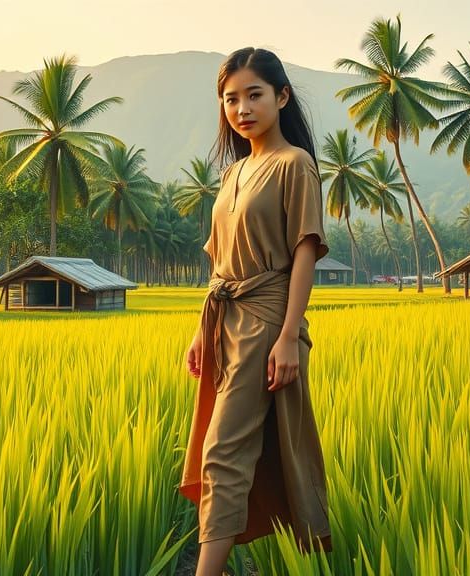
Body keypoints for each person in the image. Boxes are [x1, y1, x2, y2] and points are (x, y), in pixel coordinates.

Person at [179, 47, 332, 575]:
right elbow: (219, 260)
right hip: (224, 321)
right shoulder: (233, 173)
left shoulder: (295, 164)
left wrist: (289, 335)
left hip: (266, 320)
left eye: (254, 95)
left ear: (281, 97)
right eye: (231, 99)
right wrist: (202, 333)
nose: (242, 108)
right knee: (228, 449)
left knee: (222, 449)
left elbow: (305, 251)